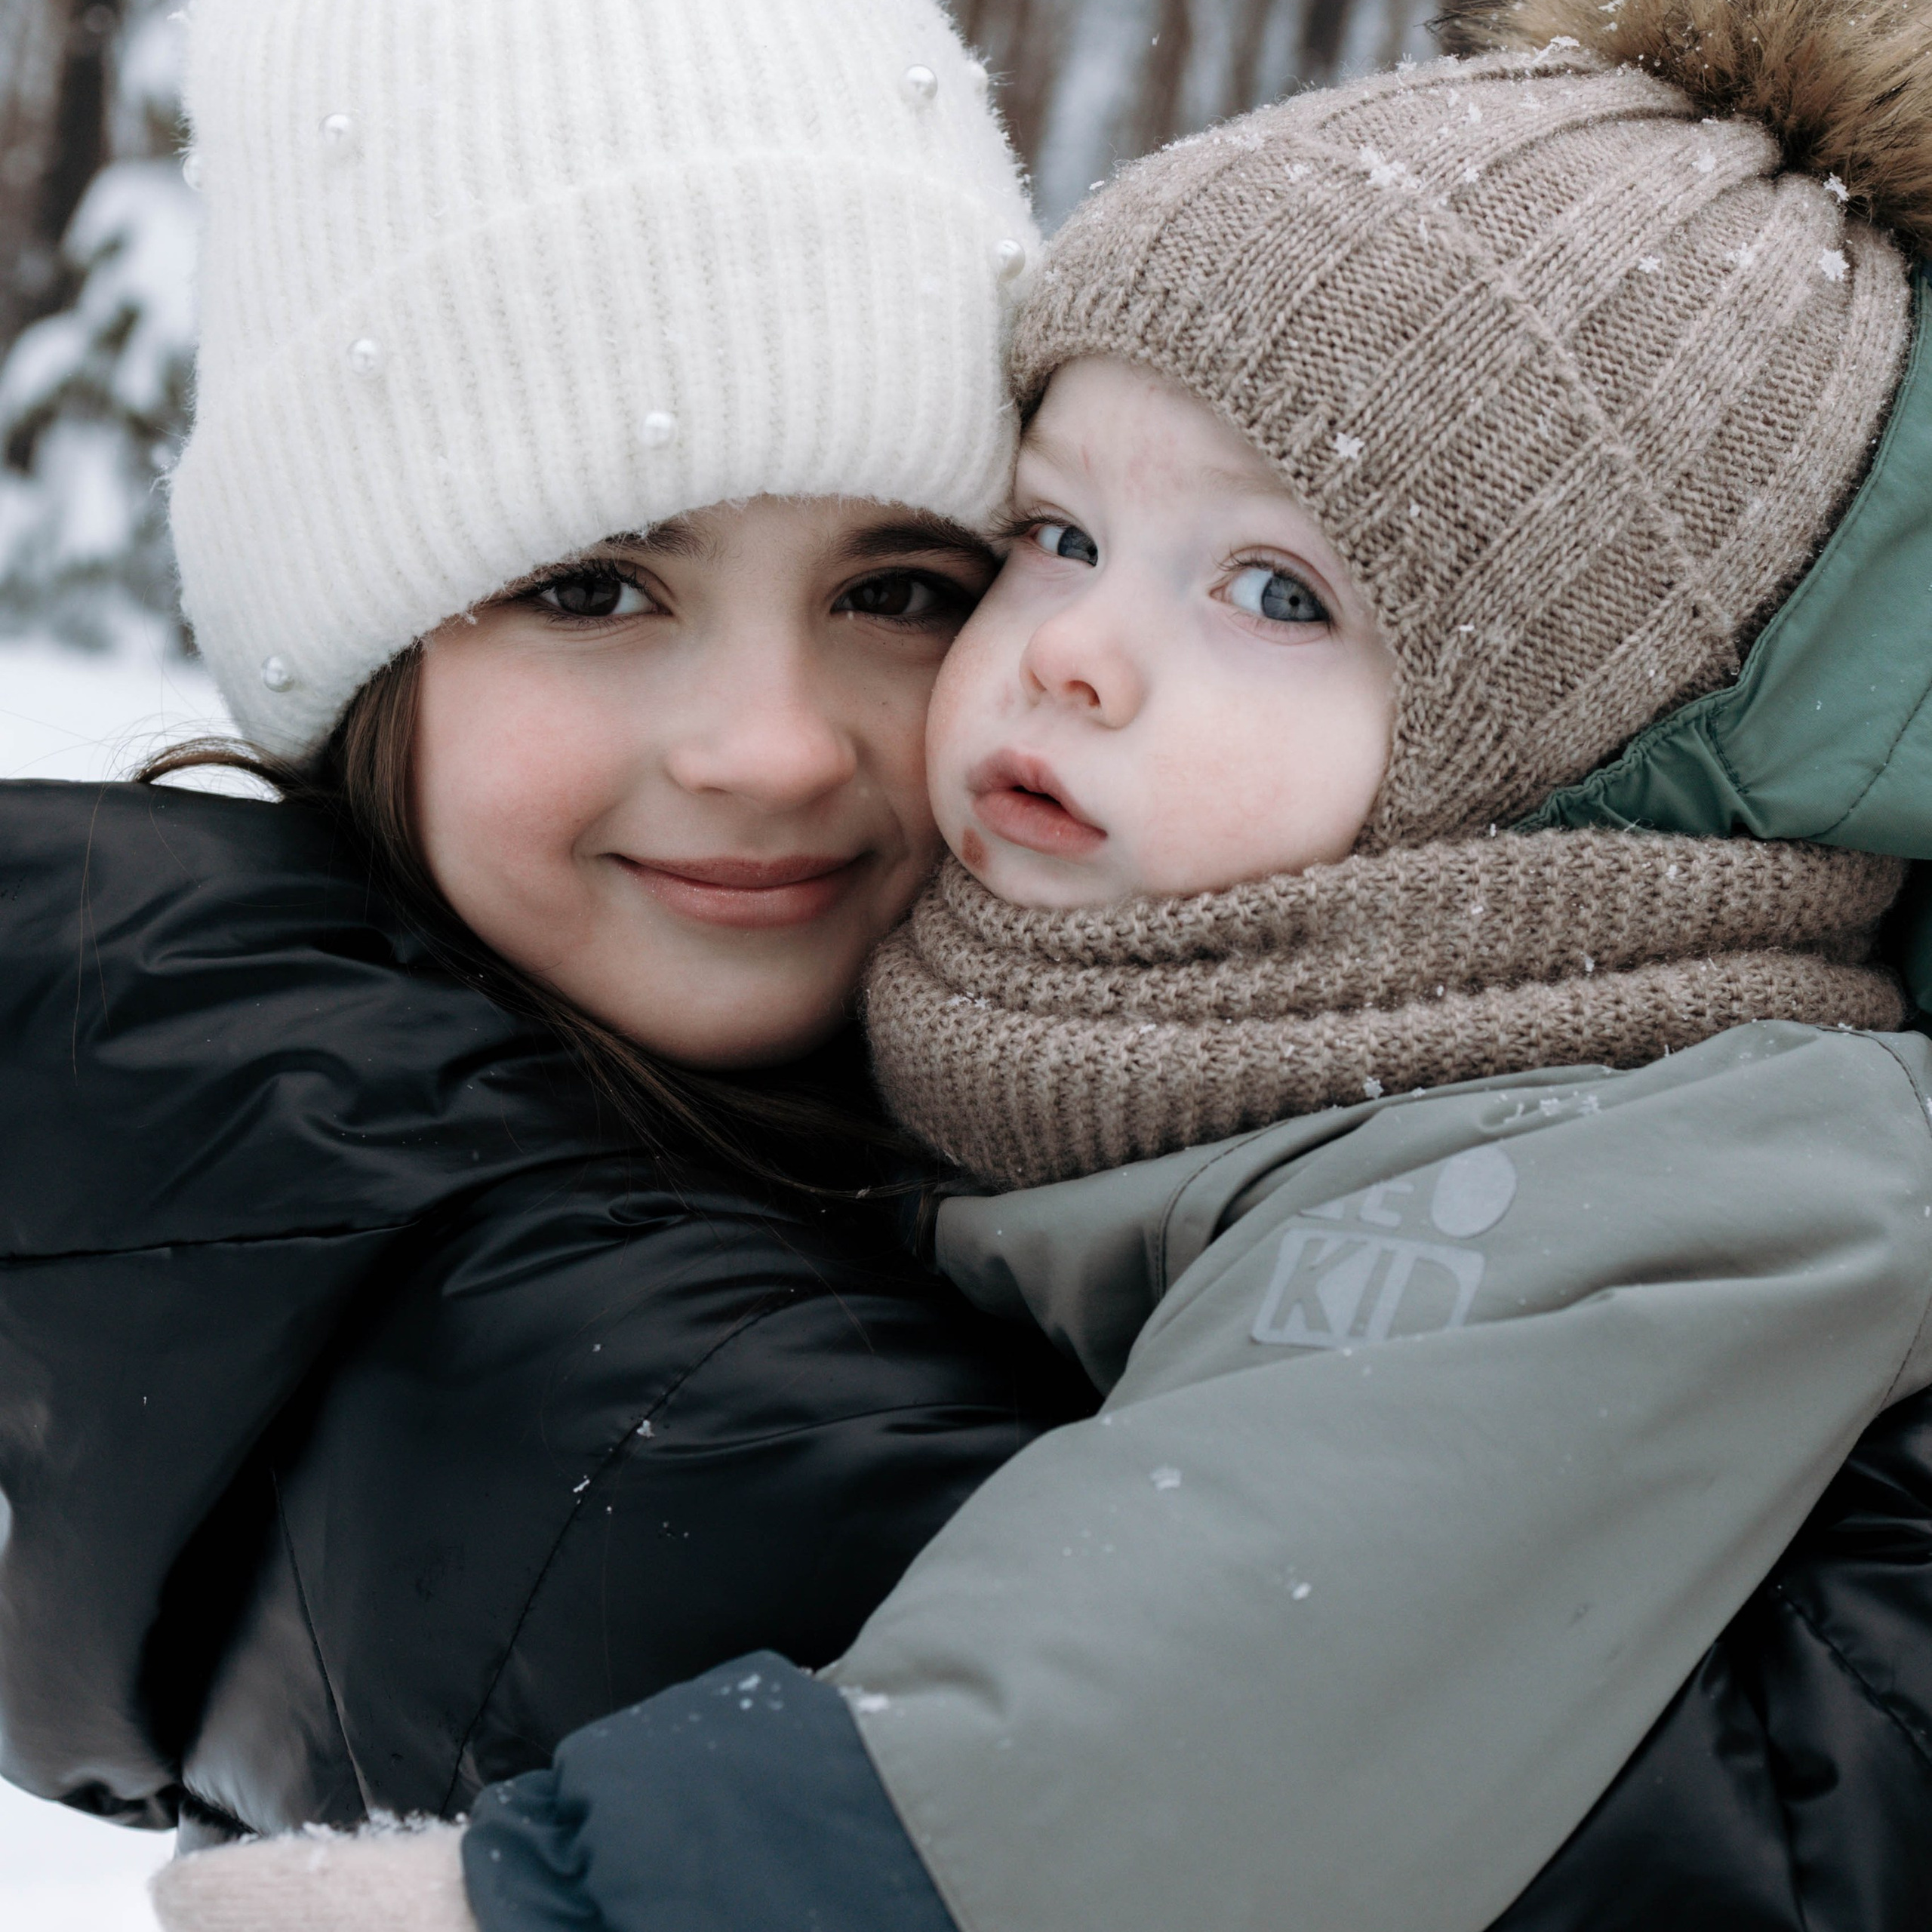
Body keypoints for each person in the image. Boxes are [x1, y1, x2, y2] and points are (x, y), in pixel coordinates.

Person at [150, 2, 1932, 1929]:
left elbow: (1252, 1633)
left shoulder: (1626, 1154)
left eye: (1276, 589)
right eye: (1055, 532)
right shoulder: (1080, 1037)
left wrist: (598, 1895)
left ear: (1570, 743)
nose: (1069, 647)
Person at [0, 0, 1098, 1854]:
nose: (771, 746)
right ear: (358, 661)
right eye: (593, 587)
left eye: (900, 587)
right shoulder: (609, 1391)